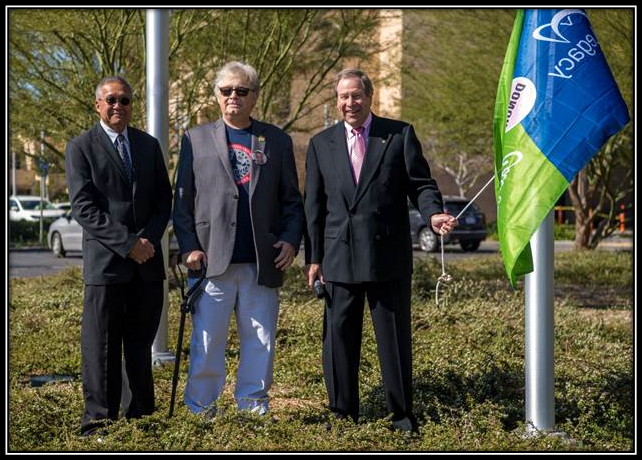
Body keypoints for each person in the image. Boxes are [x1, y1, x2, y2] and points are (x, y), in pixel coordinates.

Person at [304, 69, 457, 432]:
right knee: (338, 341)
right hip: (338, 258)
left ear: (370, 97)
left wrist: (433, 212)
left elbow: (421, 184)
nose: (349, 103)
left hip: (387, 257)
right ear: (336, 100)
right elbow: (314, 206)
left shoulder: (398, 135)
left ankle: (402, 417)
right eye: (343, 96)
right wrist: (313, 259)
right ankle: (342, 415)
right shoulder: (320, 143)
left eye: (356, 95)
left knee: (394, 341)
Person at [173, 61, 304, 417]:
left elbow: (292, 201)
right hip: (211, 261)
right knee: (208, 341)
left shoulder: (276, 140)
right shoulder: (194, 139)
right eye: (227, 90)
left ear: (254, 97)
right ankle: (201, 410)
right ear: (217, 96)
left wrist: (291, 241)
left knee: (260, 341)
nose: (234, 96)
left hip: (262, 261)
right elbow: (182, 204)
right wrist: (189, 248)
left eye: (241, 91)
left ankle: (252, 408)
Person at [65, 76, 172, 436]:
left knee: (139, 346)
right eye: (111, 99)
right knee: (102, 349)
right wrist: (128, 244)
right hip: (107, 266)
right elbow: (84, 208)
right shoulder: (81, 147)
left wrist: (147, 242)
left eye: (124, 100)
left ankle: (141, 419)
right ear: (97, 104)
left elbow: (163, 200)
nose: (118, 106)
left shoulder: (148, 144)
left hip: (147, 266)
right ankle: (98, 422)